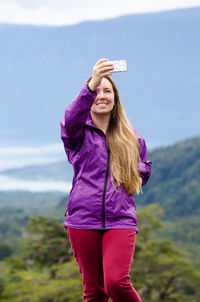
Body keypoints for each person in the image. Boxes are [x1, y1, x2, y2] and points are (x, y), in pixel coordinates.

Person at [60, 58, 152, 302]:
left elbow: (141, 171)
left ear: (115, 99)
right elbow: (71, 116)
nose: (101, 96)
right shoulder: (76, 133)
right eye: (96, 91)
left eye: (107, 91)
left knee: (116, 283)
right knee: (94, 292)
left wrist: (133, 174)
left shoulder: (132, 137)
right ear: (87, 98)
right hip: (82, 219)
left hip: (120, 218)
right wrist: (92, 82)